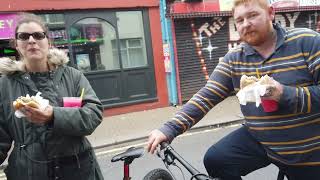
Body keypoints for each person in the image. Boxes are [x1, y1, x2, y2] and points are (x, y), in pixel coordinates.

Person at [147, 0, 320, 179]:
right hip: (261, 140)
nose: (246, 24)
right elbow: (206, 96)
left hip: (307, 150)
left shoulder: (307, 41)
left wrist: (284, 93)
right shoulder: (234, 59)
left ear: (270, 13)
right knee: (217, 159)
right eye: (240, 20)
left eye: (253, 15)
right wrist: (169, 129)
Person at [0, 13, 104, 180]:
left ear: (48, 42)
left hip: (77, 169)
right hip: (29, 172)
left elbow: (94, 114)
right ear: (17, 45)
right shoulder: (5, 85)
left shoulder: (72, 76)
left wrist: (54, 115)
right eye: (24, 36)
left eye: (38, 35)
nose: (32, 40)